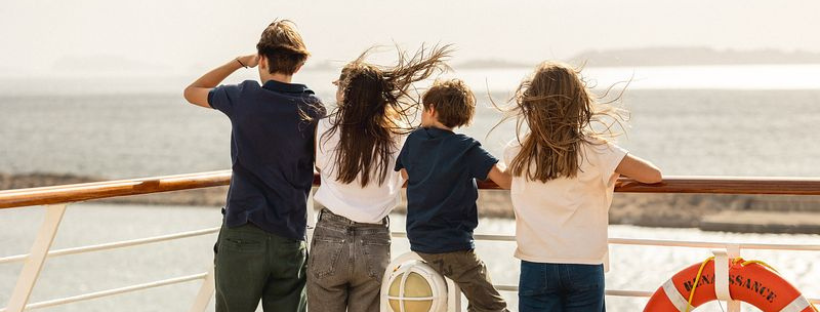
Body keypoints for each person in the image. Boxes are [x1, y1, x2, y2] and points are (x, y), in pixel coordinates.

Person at [182, 20, 324, 312]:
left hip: (243, 232)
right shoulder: (313, 107)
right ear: (298, 66)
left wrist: (238, 62)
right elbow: (322, 164)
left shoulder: (244, 96)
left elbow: (193, 90)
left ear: (262, 59)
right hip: (289, 235)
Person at [502, 61, 662, 312]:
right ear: (577, 103)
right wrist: (612, 172)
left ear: (532, 102)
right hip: (584, 263)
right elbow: (652, 175)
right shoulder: (597, 150)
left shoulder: (516, 151)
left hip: (535, 263)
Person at [308, 45, 450, 312]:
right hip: (374, 238)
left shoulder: (326, 128)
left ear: (347, 95)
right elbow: (406, 171)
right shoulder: (396, 135)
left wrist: (343, 91)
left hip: (331, 235)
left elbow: (319, 163)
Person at [395, 79, 512, 312]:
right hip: (454, 246)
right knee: (492, 306)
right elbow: (505, 180)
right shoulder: (466, 148)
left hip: (420, 242)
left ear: (431, 110)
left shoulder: (414, 140)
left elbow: (405, 174)